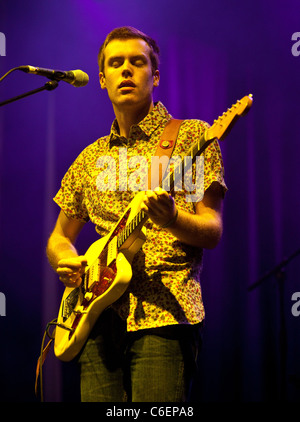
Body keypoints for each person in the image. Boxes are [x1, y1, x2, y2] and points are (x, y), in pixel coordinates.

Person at [46, 26, 227, 402]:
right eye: (116, 63)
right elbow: (59, 237)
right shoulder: (91, 158)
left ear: (155, 75)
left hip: (164, 318)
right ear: (102, 79)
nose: (126, 70)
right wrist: (68, 261)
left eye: (137, 62)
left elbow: (211, 230)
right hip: (95, 320)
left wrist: (173, 218)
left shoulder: (190, 137)